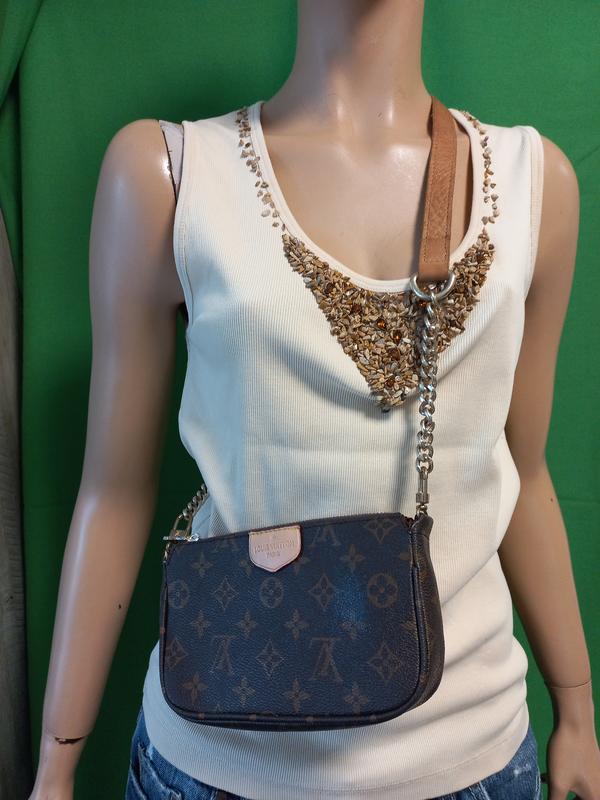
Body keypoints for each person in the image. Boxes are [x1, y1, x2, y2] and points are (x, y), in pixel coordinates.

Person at [29, 2, 599, 800]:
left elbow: (522, 472)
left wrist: (577, 707)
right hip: (216, 753)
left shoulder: (538, 182)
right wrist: (57, 758)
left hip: (472, 752)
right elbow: (114, 493)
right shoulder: (169, 173)